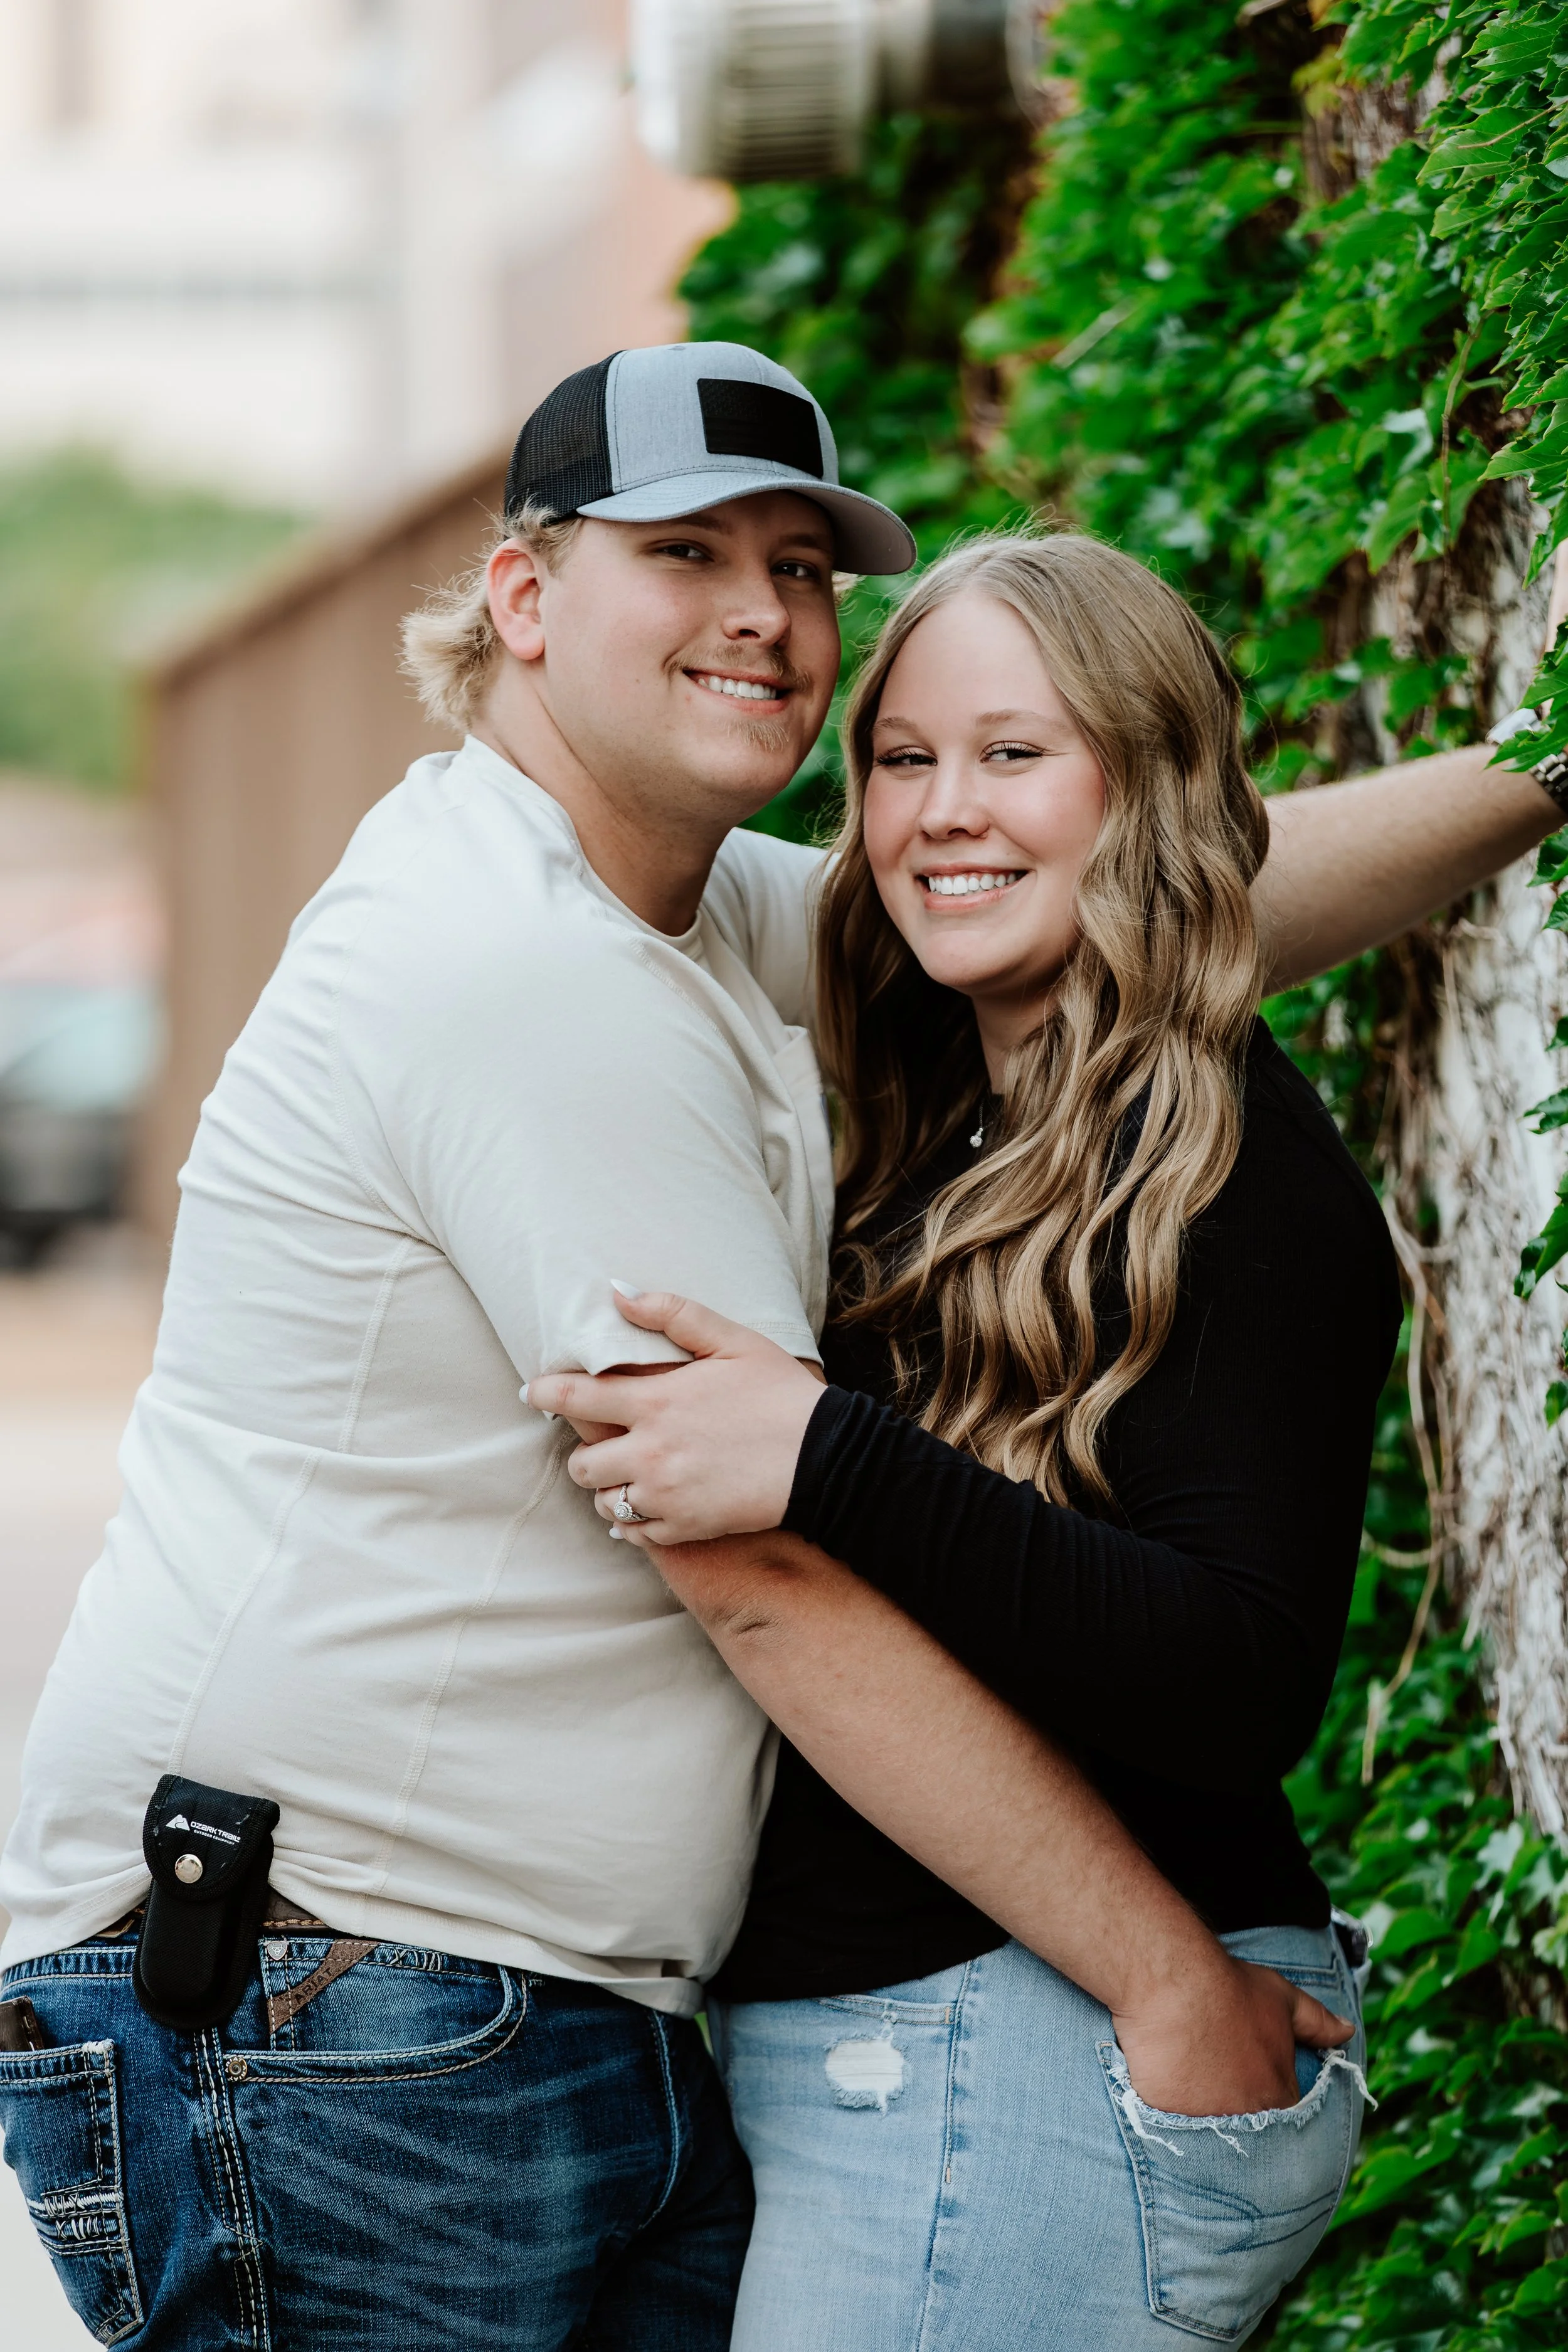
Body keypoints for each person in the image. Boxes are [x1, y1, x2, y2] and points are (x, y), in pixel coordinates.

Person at [0, 341, 1559, 2351]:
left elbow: (1129, 894)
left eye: (802, 563)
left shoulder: (700, 911)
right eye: (687, 552)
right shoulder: (523, 970)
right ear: (525, 594)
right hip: (346, 1992)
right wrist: (1165, 1980)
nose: (761, 610)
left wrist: (1541, 766)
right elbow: (756, 1572)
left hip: (529, 2004)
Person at [523, 526, 1567, 2351]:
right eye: (902, 758)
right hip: (919, 2060)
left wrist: (826, 1458)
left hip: (1014, 2062)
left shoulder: (1227, 1163)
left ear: (1148, 790)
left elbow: (1238, 1676)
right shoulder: (961, 1128)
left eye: (1014, 754)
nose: (941, 813)